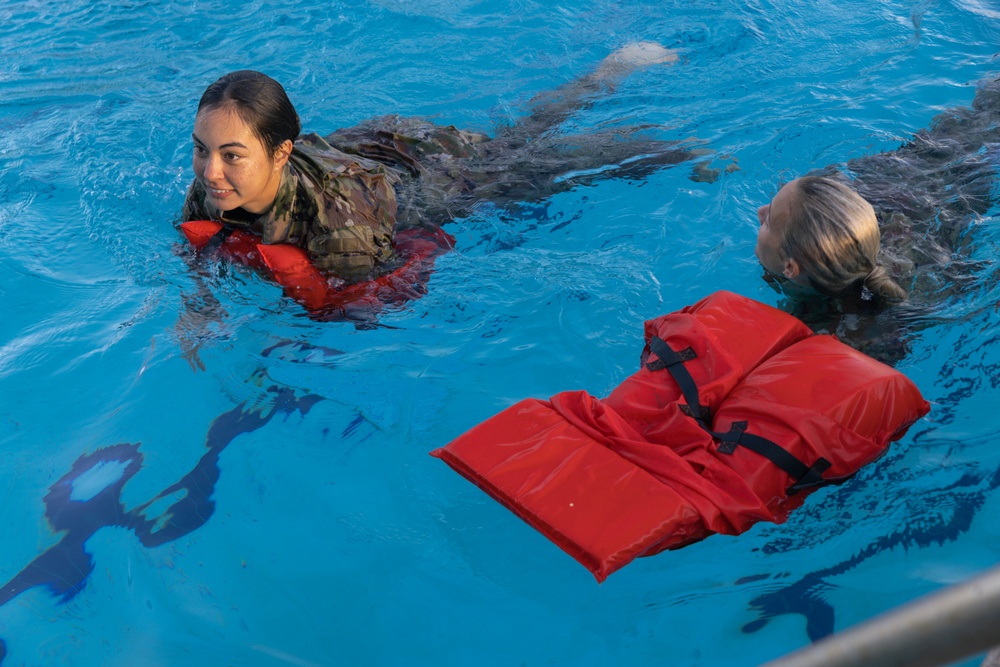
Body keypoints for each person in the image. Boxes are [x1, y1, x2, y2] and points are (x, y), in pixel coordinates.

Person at [181, 42, 694, 284]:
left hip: (431, 172)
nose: (210, 171)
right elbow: (193, 252)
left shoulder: (340, 229)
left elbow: (390, 296)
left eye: (232, 155)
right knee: (520, 137)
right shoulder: (210, 188)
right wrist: (199, 307)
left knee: (539, 162)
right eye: (202, 149)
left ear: (280, 153)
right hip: (369, 148)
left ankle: (668, 137)